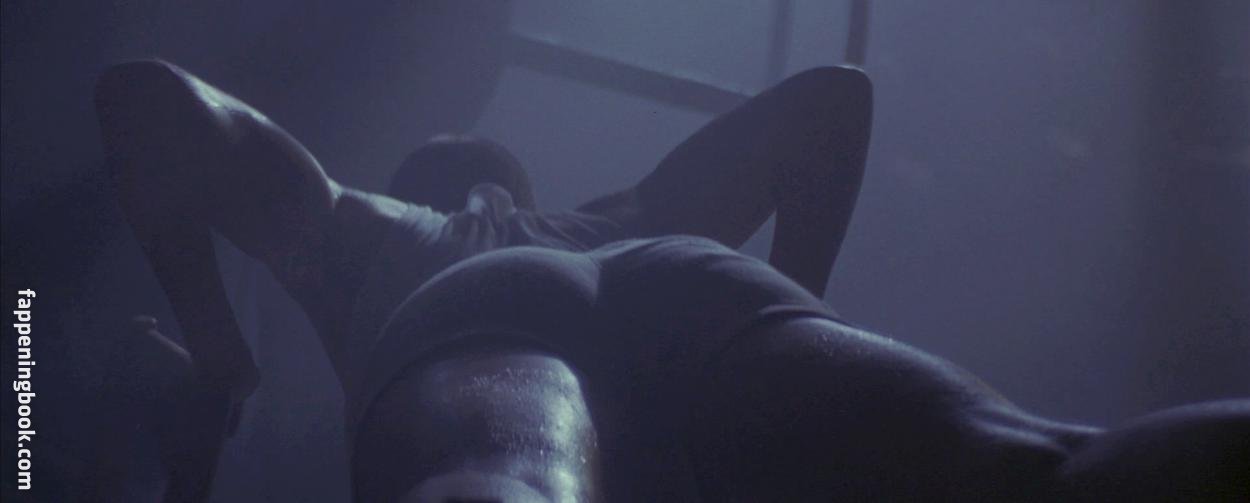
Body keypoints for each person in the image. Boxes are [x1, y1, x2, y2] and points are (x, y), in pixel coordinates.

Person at [95, 60, 1248, 502]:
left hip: (479, 323)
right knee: (1042, 469)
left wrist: (222, 357)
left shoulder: (362, 221)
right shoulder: (627, 209)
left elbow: (145, 99)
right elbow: (831, 100)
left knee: (500, 484)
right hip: (691, 285)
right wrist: (797, 316)